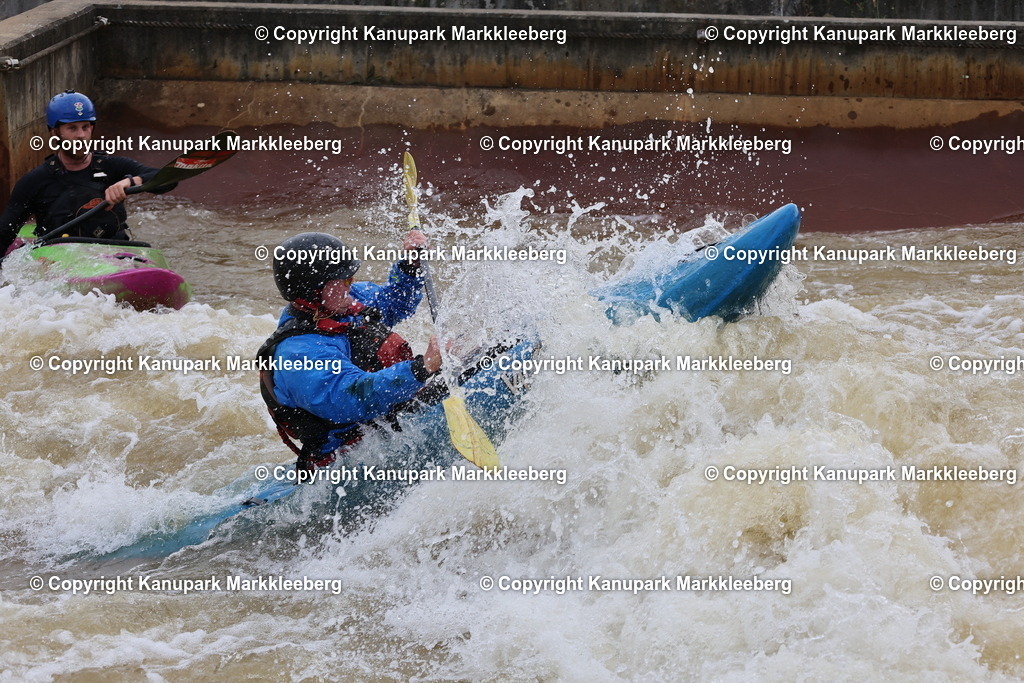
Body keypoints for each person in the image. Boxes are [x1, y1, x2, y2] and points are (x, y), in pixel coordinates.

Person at [258, 230, 442, 473]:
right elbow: (354, 398)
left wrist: (410, 266)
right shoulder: (298, 354)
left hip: (385, 420)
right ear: (315, 290)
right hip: (349, 458)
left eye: (350, 277)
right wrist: (423, 367)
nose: (351, 283)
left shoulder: (344, 301)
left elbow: (395, 303)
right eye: (344, 280)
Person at [0, 90, 175, 258]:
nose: (81, 135)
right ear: (54, 132)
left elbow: (168, 180)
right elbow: (5, 232)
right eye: (72, 128)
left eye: (86, 127)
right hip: (60, 260)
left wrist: (129, 182)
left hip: (113, 256)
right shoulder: (35, 181)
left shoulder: (113, 166)